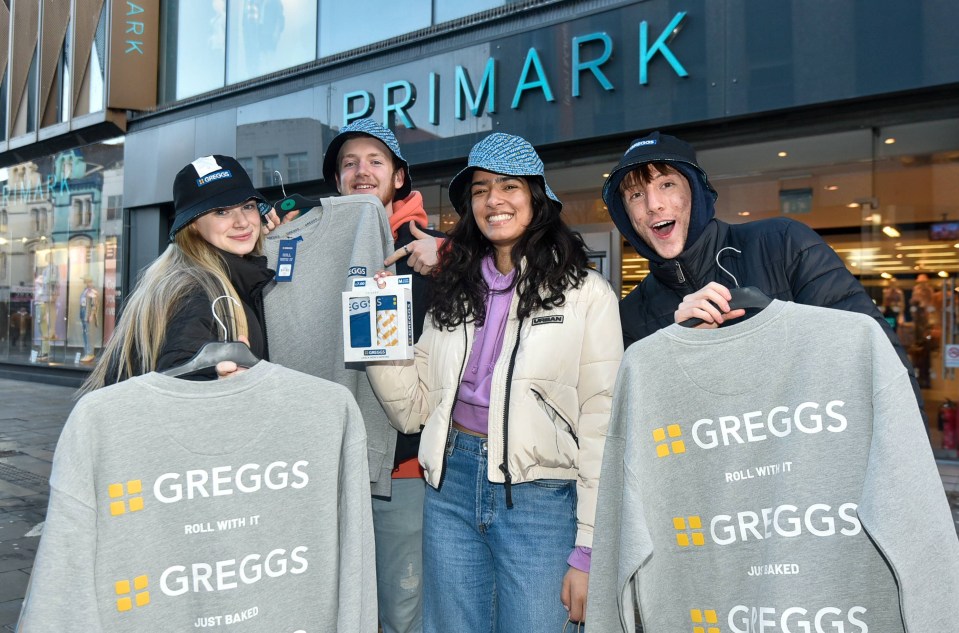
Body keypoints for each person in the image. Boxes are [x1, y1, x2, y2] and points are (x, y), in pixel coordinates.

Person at [367, 132, 623, 631]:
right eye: (481, 189)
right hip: (450, 487)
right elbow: (412, 410)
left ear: (536, 198)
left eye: (509, 186)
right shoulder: (454, 289)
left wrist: (588, 546)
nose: (494, 200)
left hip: (541, 496)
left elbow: (603, 422)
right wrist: (380, 329)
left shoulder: (585, 293)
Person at [602, 130, 925, 416]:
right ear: (627, 215)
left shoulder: (782, 243)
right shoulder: (630, 315)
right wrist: (675, 347)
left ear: (695, 193)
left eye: (667, 184)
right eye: (636, 194)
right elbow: (639, 422)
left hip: (810, 467)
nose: (653, 204)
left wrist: (907, 464)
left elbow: (875, 357)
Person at [321, 118, 445, 633]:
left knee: (402, 609)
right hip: (333, 464)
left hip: (404, 467)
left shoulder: (433, 249)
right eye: (349, 163)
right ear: (336, 182)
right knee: (342, 607)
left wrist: (449, 258)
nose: (361, 171)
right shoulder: (316, 249)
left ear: (399, 177)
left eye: (375, 161)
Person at [81, 155, 275, 392]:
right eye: (221, 212)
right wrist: (216, 389)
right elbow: (177, 388)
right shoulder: (197, 295)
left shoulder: (209, 278)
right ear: (192, 224)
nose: (242, 222)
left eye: (248, 206)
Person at [78, 276, 99, 363]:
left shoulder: (93, 292)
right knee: (85, 333)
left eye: (87, 282)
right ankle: (87, 353)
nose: (86, 283)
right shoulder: (85, 291)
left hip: (88, 313)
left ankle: (90, 353)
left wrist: (91, 315)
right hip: (83, 312)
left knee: (89, 334)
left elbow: (94, 305)